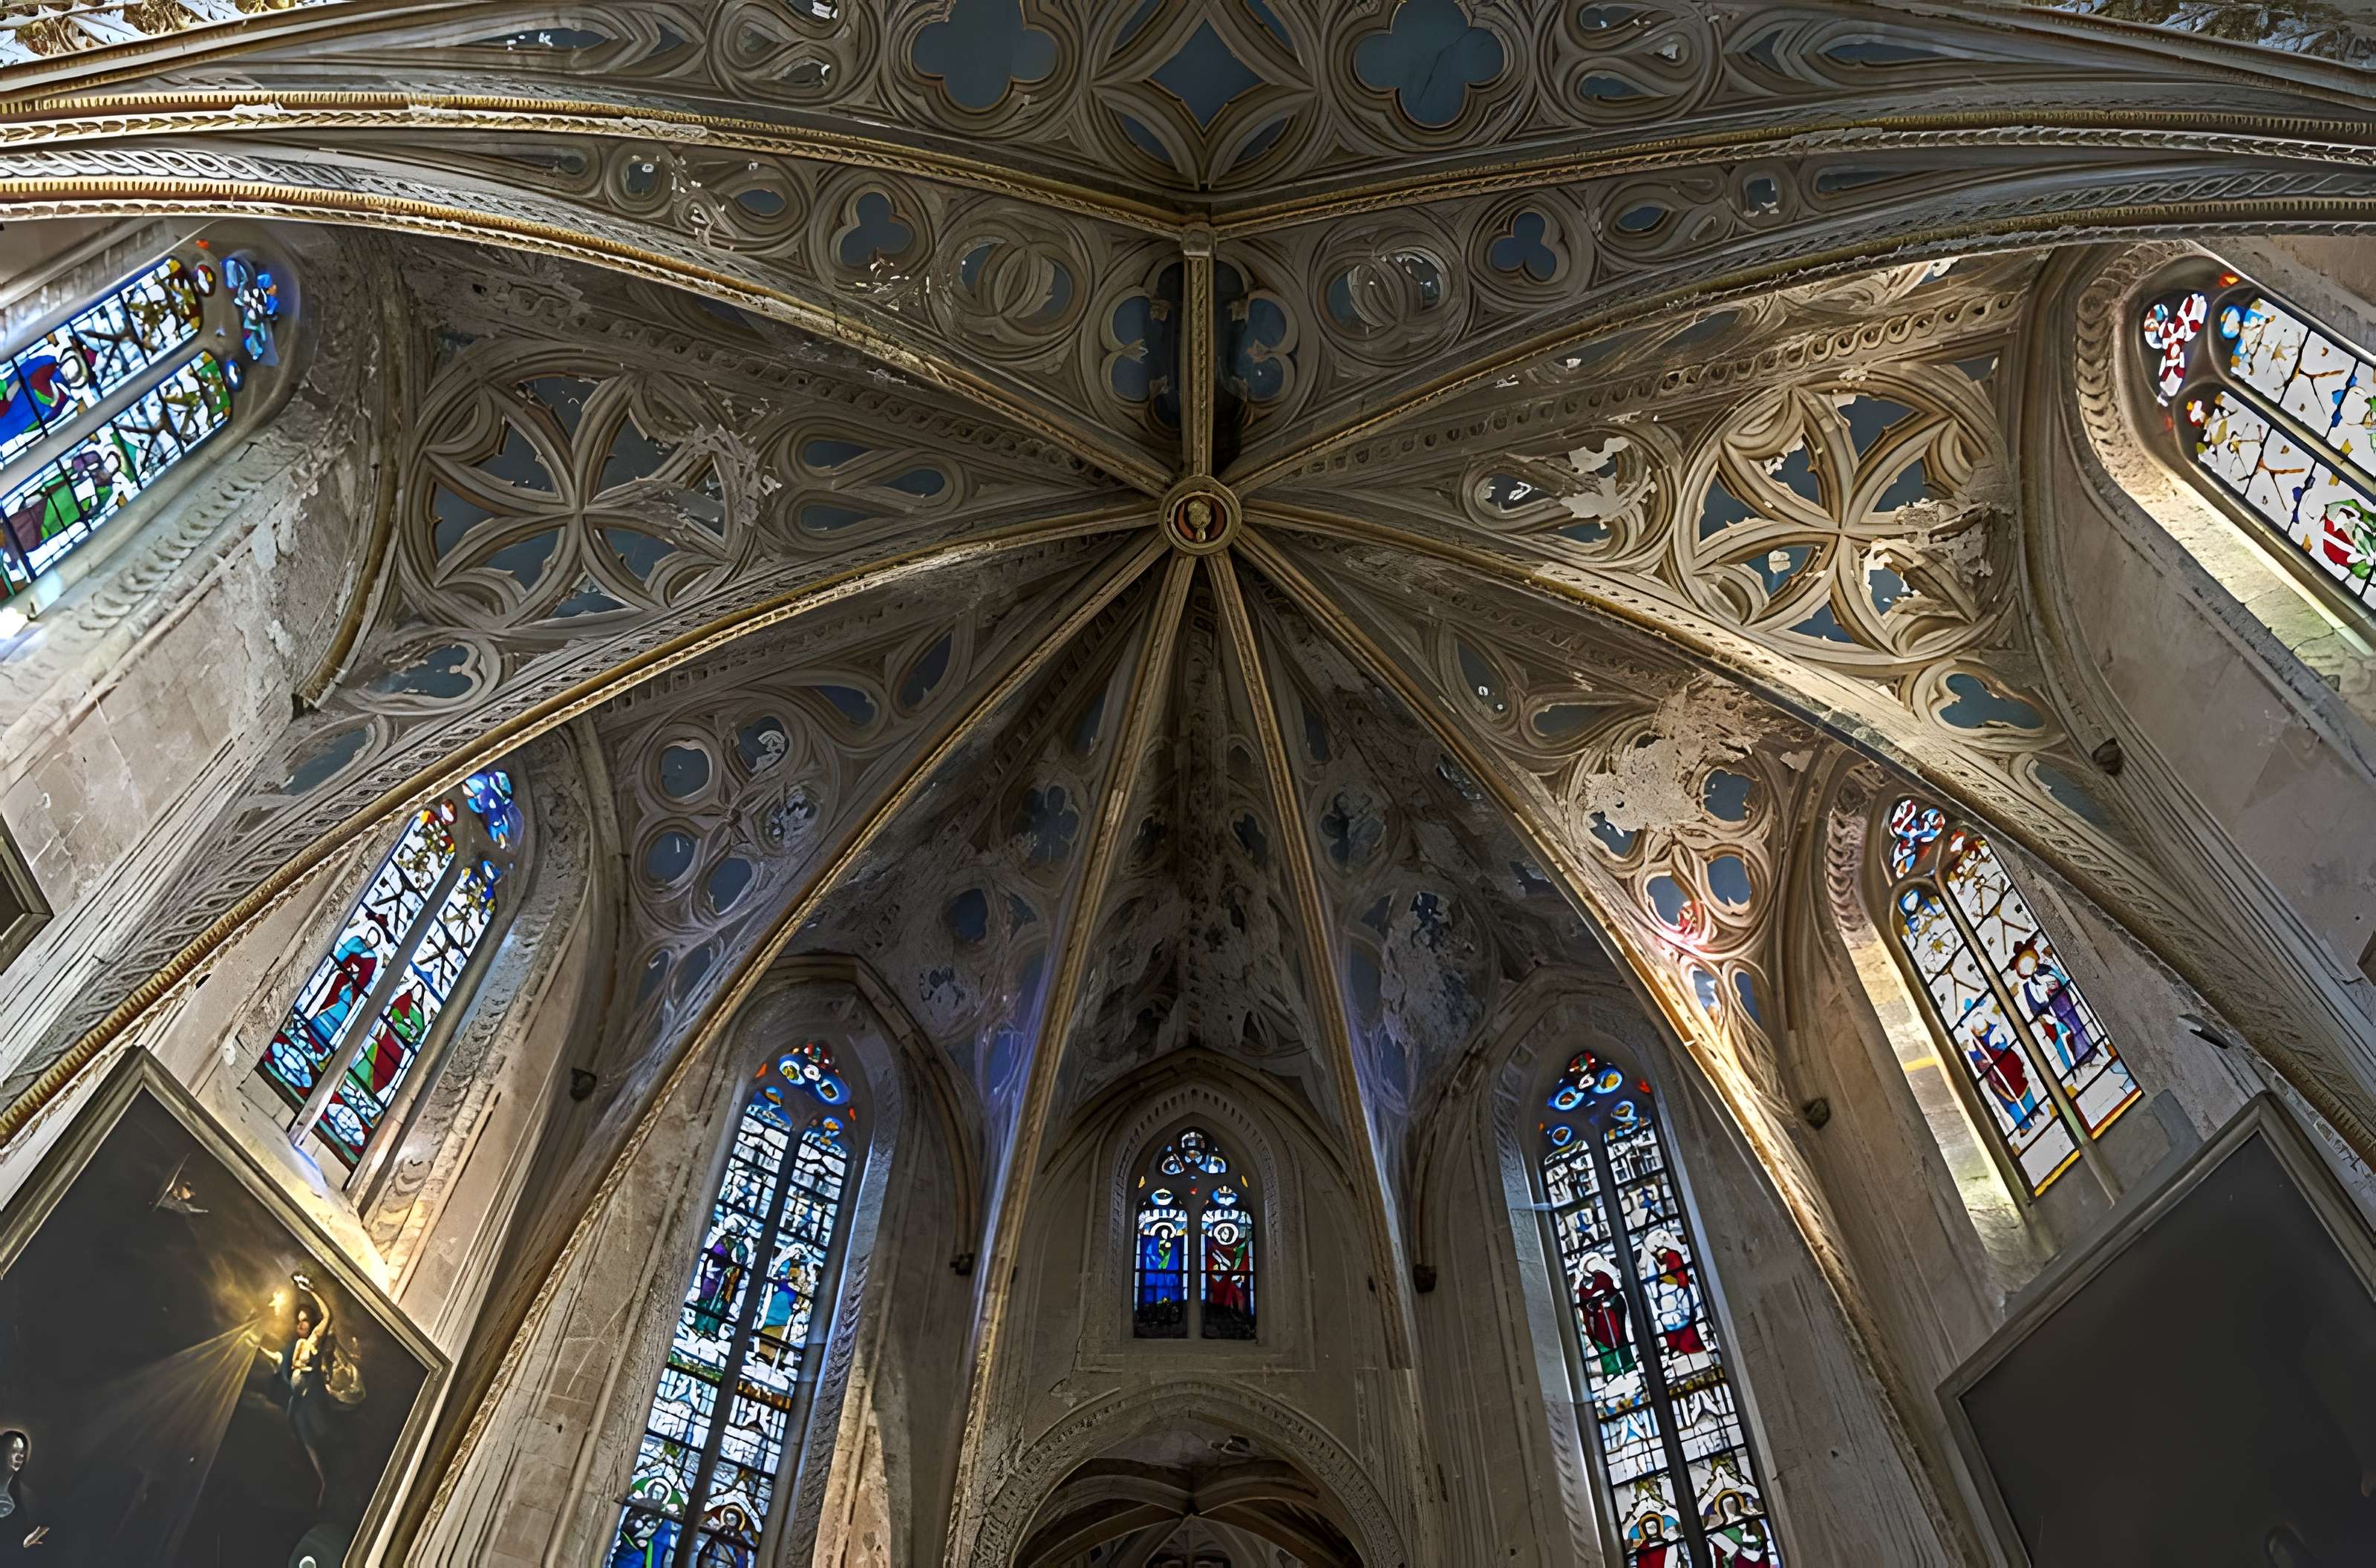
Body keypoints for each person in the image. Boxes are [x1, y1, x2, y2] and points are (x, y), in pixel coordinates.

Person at [0, 1430, 48, 1556]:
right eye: (14, 1451)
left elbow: (42, 1523)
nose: (19, 1457)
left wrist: (28, 1540)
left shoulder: (27, 1495)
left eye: (22, 1452)